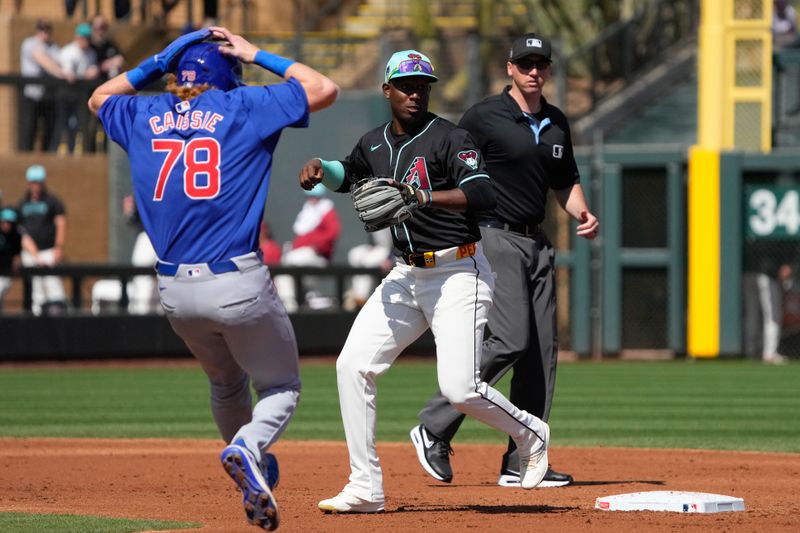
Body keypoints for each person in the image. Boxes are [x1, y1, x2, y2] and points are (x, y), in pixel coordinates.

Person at [88, 26, 338, 530]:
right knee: (282, 386)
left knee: (226, 383)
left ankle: (253, 463)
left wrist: (158, 60)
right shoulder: (244, 106)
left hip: (175, 292)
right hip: (237, 280)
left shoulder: (144, 111)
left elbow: (98, 98)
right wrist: (254, 52)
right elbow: (323, 88)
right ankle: (248, 448)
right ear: (231, 76)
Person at [299, 49, 551, 514]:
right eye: (406, 85)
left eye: (423, 85)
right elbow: (349, 176)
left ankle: (529, 433)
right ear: (387, 91)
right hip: (406, 272)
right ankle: (365, 486)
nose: (415, 93)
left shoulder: (451, 138)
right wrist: (321, 168)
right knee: (352, 365)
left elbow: (482, 191)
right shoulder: (373, 143)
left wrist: (421, 195)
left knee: (460, 389)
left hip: (459, 271)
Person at [411, 33, 599, 488]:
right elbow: (449, 162)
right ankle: (434, 424)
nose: (535, 70)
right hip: (494, 235)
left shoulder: (555, 122)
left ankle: (523, 459)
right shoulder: (483, 117)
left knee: (540, 354)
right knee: (510, 340)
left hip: (537, 242)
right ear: (510, 68)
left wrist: (583, 211)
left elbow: (564, 180)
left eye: (542, 64)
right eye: (526, 63)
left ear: (549, 70)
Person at [273, 183, 341, 312]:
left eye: (315, 196)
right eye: (309, 196)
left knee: (294, 259)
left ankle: (300, 300)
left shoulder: (327, 211)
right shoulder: (308, 211)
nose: (312, 199)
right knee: (285, 269)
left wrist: (315, 244)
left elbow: (333, 232)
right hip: (302, 256)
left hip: (318, 257)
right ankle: (289, 303)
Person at [90, 195, 159, 315]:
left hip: (148, 236)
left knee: (142, 278)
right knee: (162, 278)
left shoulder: (146, 181)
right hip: (169, 236)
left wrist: (131, 214)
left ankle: (141, 317)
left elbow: (134, 217)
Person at [16, 164, 69, 316]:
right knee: (35, 290)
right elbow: (20, 231)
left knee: (53, 287)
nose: (36, 186)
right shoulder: (23, 203)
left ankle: (59, 318)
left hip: (49, 251)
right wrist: (32, 254)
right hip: (31, 254)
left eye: (39, 182)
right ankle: (37, 320)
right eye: (33, 183)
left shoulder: (52, 201)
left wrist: (59, 247)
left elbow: (61, 223)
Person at [19, 18, 66, 152]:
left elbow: (61, 62)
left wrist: (60, 70)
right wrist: (62, 74)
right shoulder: (29, 43)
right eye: (41, 29)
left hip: (49, 97)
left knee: (49, 132)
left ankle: (46, 161)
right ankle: (24, 161)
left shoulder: (54, 47)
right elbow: (43, 60)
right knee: (29, 131)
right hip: (32, 96)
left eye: (47, 29)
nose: (44, 32)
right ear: (37, 30)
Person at [53, 22, 100, 154]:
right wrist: (86, 75)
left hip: (81, 94)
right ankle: (54, 151)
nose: (86, 40)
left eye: (87, 37)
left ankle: (75, 150)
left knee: (79, 124)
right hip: (65, 92)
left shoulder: (91, 53)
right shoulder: (69, 51)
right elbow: (69, 75)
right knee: (62, 123)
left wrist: (92, 72)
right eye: (83, 37)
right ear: (77, 37)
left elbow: (91, 71)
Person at [86, 14, 126, 152]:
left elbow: (120, 61)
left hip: (108, 93)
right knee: (88, 126)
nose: (101, 30)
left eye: (104, 27)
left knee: (106, 124)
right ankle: (88, 153)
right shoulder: (88, 46)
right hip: (89, 92)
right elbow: (88, 71)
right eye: (98, 27)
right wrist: (106, 65)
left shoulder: (111, 45)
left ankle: (105, 153)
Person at [342, 228, 392, 310]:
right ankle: (356, 293)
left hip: (389, 251)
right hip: (377, 247)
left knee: (369, 261)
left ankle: (361, 298)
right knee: (354, 254)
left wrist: (390, 258)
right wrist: (371, 246)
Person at [0, 209, 36, 312]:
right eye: (4, 222)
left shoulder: (16, 235)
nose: (6, 224)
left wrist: (17, 259)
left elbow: (18, 252)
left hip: (6, 273)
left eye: (9, 222)